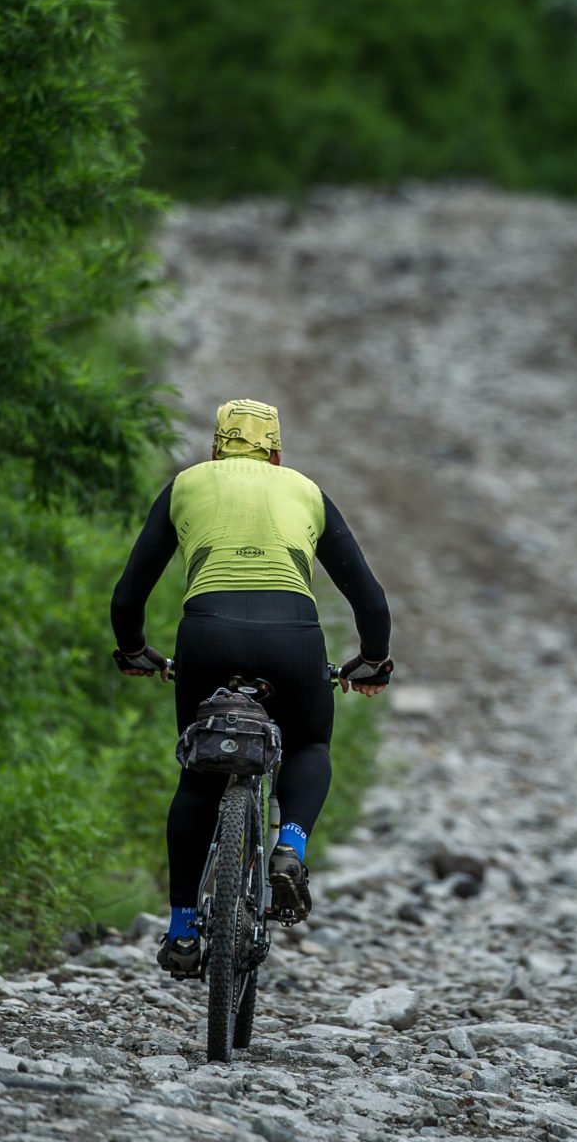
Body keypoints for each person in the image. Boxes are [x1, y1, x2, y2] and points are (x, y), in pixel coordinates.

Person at [110, 398, 393, 976]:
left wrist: (136, 650)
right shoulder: (305, 490)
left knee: (196, 775)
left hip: (206, 637)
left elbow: (128, 595)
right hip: (293, 639)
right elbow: (368, 596)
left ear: (216, 449)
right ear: (277, 452)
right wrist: (373, 661)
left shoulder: (187, 484)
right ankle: (289, 845)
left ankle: (185, 931)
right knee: (310, 744)